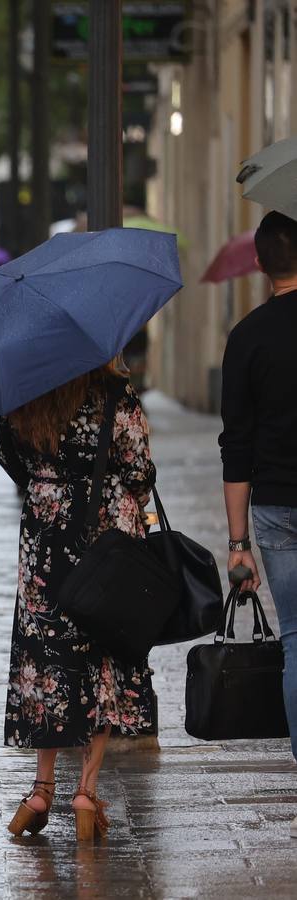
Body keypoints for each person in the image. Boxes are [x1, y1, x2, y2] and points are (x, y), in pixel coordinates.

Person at [0, 359, 156, 842]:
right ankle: (85, 790)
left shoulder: (26, 388)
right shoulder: (115, 393)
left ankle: (41, 789)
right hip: (107, 536)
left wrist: (50, 480)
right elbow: (139, 471)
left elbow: (10, 458)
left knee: (46, 656)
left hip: (45, 534)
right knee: (104, 652)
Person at [220, 209, 297, 838]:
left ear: (261, 265)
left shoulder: (245, 337)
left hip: (273, 506)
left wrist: (237, 543)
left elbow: (235, 445)